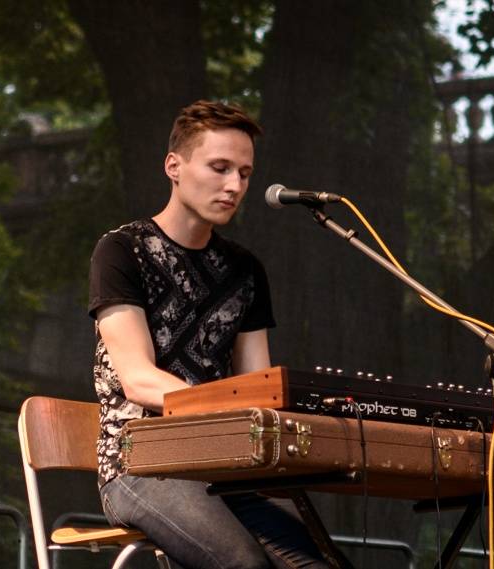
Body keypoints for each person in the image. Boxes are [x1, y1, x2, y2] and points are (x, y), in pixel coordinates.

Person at [87, 100, 329, 569]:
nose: (234, 185)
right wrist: (225, 411)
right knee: (244, 564)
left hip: (226, 462)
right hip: (139, 462)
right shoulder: (121, 251)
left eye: (244, 172)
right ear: (173, 167)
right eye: (219, 168)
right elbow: (138, 379)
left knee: (314, 566)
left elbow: (259, 388)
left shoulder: (245, 271)